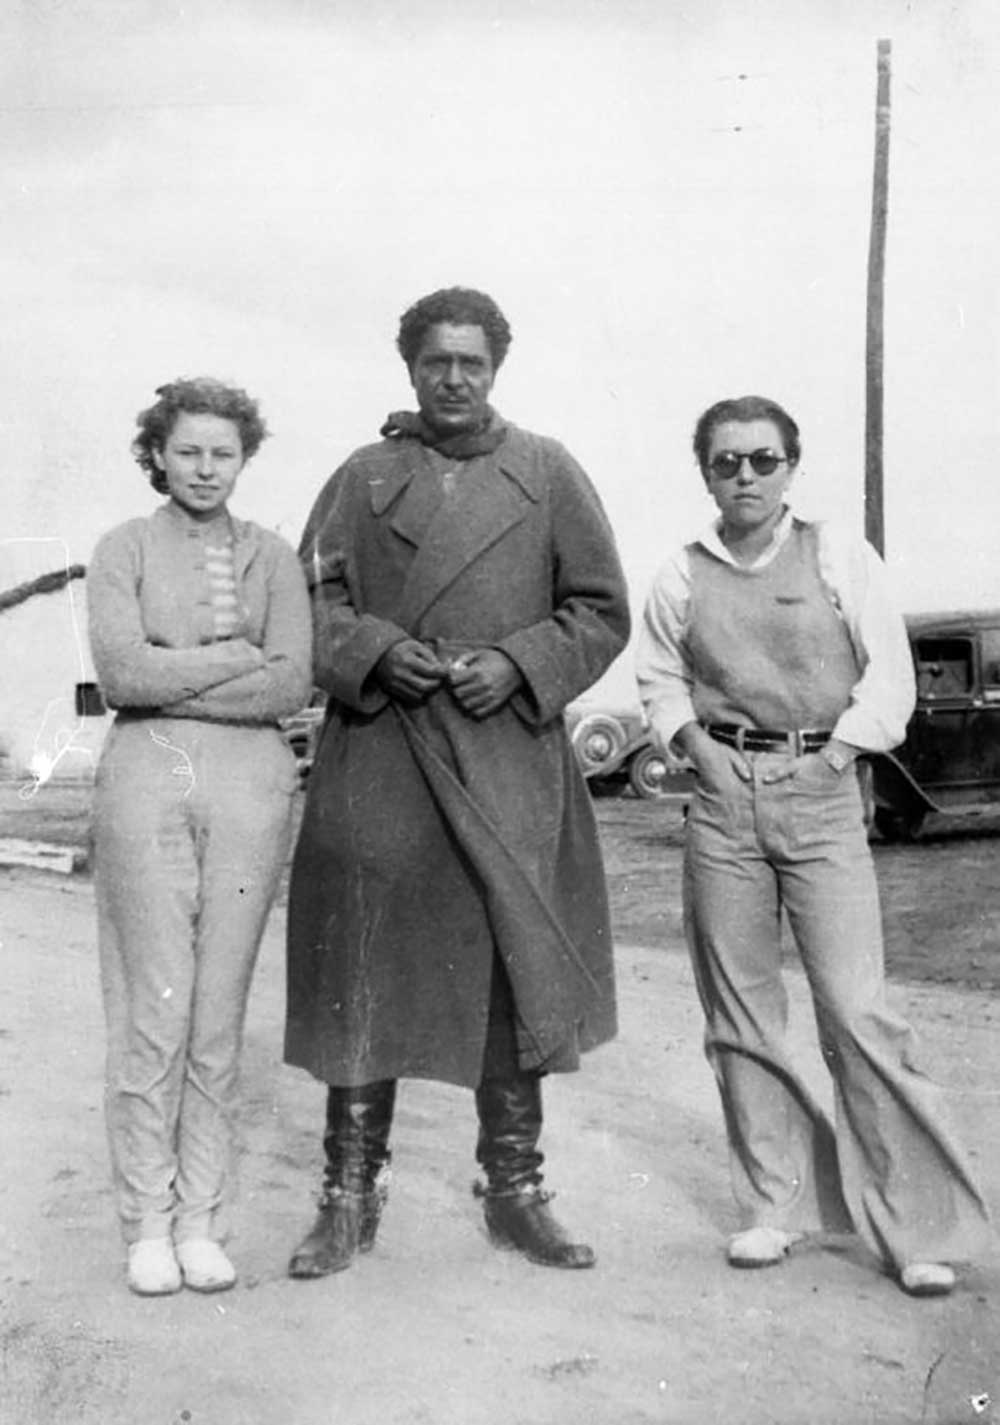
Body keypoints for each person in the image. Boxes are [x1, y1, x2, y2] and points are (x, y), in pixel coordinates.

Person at [285, 286, 630, 1278]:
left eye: (471, 362)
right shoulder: (361, 476)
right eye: (435, 360)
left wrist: (521, 663)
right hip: (384, 758)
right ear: (409, 367)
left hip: (504, 759)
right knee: (363, 967)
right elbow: (309, 600)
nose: (453, 379)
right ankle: (348, 1196)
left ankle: (515, 1193)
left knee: (508, 966)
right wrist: (376, 651)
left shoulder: (547, 472)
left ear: (496, 369)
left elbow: (600, 609)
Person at [636, 394, 992, 1297]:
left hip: (822, 791)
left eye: (763, 459)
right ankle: (773, 1205)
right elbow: (658, 679)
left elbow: (889, 676)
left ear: (791, 467)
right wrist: (698, 754)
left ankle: (913, 1224)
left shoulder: (837, 554)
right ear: (705, 472)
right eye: (727, 462)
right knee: (742, 1015)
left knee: (857, 1007)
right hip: (723, 802)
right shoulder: (681, 573)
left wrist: (836, 758)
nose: (746, 476)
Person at [88, 378, 312, 1296]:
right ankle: (146, 1220)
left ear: (244, 457)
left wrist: (180, 671)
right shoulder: (122, 549)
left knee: (218, 1010)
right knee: (155, 1008)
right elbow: (120, 673)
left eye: (223, 453)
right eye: (189, 451)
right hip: (148, 775)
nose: (206, 468)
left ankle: (201, 1219)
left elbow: (291, 683)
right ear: (159, 453)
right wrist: (230, 660)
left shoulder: (270, 556)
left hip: (254, 786)